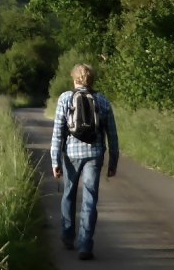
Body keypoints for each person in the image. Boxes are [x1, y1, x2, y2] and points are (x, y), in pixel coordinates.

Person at [50, 63, 119, 260]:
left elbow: (58, 133)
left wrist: (55, 161)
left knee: (69, 194)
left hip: (71, 154)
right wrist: (113, 161)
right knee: (90, 199)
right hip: (94, 155)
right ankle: (85, 245)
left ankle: (67, 235)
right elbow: (112, 135)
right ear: (92, 80)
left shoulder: (65, 98)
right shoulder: (103, 101)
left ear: (74, 79)